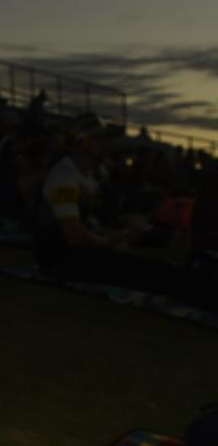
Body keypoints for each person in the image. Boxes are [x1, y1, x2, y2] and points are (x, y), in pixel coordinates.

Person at [34, 113, 215, 309]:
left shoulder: (93, 173)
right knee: (144, 274)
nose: (106, 143)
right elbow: (74, 236)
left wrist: (119, 235)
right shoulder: (64, 177)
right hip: (63, 259)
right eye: (99, 139)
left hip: (85, 249)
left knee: (154, 266)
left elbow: (91, 223)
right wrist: (111, 241)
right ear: (81, 142)